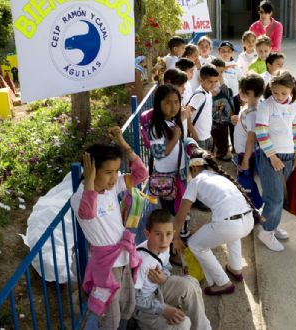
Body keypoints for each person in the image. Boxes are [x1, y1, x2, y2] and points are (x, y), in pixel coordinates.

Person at [70, 128, 149, 329]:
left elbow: (141, 174)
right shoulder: (80, 197)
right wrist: (89, 180)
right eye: (108, 172)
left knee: (127, 305)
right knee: (109, 315)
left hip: (123, 258)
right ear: (92, 171)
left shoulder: (112, 187)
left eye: (116, 171)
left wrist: (123, 145)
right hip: (106, 266)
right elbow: (88, 213)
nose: (114, 178)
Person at [172, 148, 257, 296]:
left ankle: (223, 282)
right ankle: (235, 268)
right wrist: (203, 229)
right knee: (232, 232)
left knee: (195, 245)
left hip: (230, 226)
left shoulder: (196, 181)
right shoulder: (220, 177)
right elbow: (225, 212)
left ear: (194, 168)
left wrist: (176, 238)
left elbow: (181, 215)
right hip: (248, 222)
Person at [133, 209, 212, 330]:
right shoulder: (140, 261)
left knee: (191, 284)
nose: (164, 240)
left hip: (158, 290)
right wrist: (163, 309)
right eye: (158, 234)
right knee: (182, 324)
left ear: (174, 233)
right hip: (144, 310)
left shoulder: (163, 248)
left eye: (168, 234)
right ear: (147, 234)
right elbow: (134, 299)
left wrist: (163, 277)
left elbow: (166, 266)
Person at [255, 71, 296, 252]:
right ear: (270, 89)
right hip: (270, 158)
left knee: (279, 196)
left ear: (291, 89)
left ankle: (271, 225)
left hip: (289, 157)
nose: (279, 96)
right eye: (275, 92)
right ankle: (266, 232)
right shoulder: (265, 105)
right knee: (274, 197)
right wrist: (273, 157)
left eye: (284, 93)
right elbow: (261, 133)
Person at [148, 85, 191, 215]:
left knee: (181, 205)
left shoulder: (173, 121)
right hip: (166, 176)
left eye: (176, 102)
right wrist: (175, 138)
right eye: (167, 102)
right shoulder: (157, 127)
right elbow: (159, 153)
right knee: (169, 208)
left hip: (180, 172)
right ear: (158, 103)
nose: (173, 107)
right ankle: (171, 231)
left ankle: (181, 229)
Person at [232, 74, 265, 210]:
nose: (239, 92)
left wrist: (245, 159)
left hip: (247, 154)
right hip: (246, 152)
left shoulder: (253, 113)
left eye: (241, 90)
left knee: (246, 181)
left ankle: (251, 207)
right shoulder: (250, 107)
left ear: (250, 93)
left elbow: (251, 138)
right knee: (247, 180)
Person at [187, 65, 219, 152]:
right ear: (201, 79)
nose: (213, 85)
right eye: (210, 82)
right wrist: (193, 132)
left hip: (207, 135)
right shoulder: (200, 95)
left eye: (215, 82)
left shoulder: (208, 93)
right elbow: (187, 114)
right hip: (199, 137)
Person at [210, 58, 235, 161]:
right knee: (214, 132)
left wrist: (221, 80)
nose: (219, 74)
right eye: (216, 72)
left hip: (224, 113)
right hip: (214, 113)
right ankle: (215, 151)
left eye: (221, 72)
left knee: (223, 132)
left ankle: (224, 152)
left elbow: (227, 93)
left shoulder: (224, 80)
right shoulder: (210, 81)